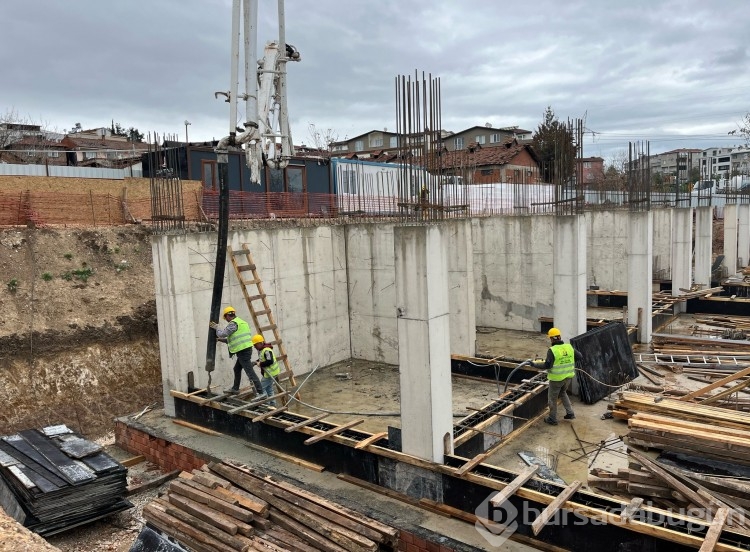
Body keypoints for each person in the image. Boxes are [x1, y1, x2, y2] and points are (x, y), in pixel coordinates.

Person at [209, 306, 265, 397]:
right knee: (237, 369)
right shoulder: (242, 322)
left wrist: (217, 327)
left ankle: (261, 392)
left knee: (250, 372)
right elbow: (234, 339)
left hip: (243, 352)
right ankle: (235, 388)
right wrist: (219, 340)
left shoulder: (233, 324)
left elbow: (222, 334)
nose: (226, 320)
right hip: (245, 350)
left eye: (225, 318)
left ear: (227, 315)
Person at [534, 327, 583, 426]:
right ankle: (570, 413)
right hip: (568, 377)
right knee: (563, 392)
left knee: (552, 399)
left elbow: (548, 365)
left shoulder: (552, 350)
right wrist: (570, 362)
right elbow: (579, 356)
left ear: (551, 339)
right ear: (560, 337)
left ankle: (552, 418)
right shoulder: (569, 347)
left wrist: (534, 364)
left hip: (556, 379)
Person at [253, 334, 281, 406]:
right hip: (271, 373)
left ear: (260, 343)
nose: (254, 347)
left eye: (255, 345)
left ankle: (266, 405)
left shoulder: (266, 350)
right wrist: (256, 362)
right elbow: (262, 358)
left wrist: (260, 364)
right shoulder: (262, 350)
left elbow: (269, 361)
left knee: (261, 388)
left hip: (270, 373)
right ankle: (272, 404)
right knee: (269, 388)